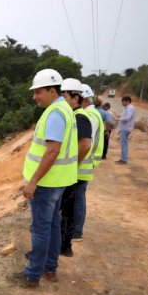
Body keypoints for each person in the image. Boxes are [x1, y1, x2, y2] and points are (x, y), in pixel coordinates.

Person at [15, 69, 78, 288]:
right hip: (58, 181)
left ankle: (32, 276)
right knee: (52, 225)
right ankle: (50, 268)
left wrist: (33, 181)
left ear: (52, 90)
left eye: (38, 92)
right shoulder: (65, 109)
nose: (35, 97)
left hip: (46, 183)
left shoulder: (54, 114)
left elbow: (52, 151)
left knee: (41, 228)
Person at [57, 79, 93, 257]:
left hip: (77, 173)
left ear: (75, 97)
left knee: (68, 210)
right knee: (67, 209)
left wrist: (73, 164)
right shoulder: (75, 115)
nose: (62, 99)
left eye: (64, 95)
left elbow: (85, 144)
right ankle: (64, 245)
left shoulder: (80, 117)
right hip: (75, 173)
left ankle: (65, 245)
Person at [117, 96, 136, 164]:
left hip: (126, 128)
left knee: (124, 144)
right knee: (123, 144)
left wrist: (118, 119)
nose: (122, 103)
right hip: (124, 128)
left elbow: (127, 118)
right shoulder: (127, 108)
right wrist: (121, 116)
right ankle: (123, 158)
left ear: (127, 101)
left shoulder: (130, 108)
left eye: (123, 101)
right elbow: (125, 116)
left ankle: (124, 159)